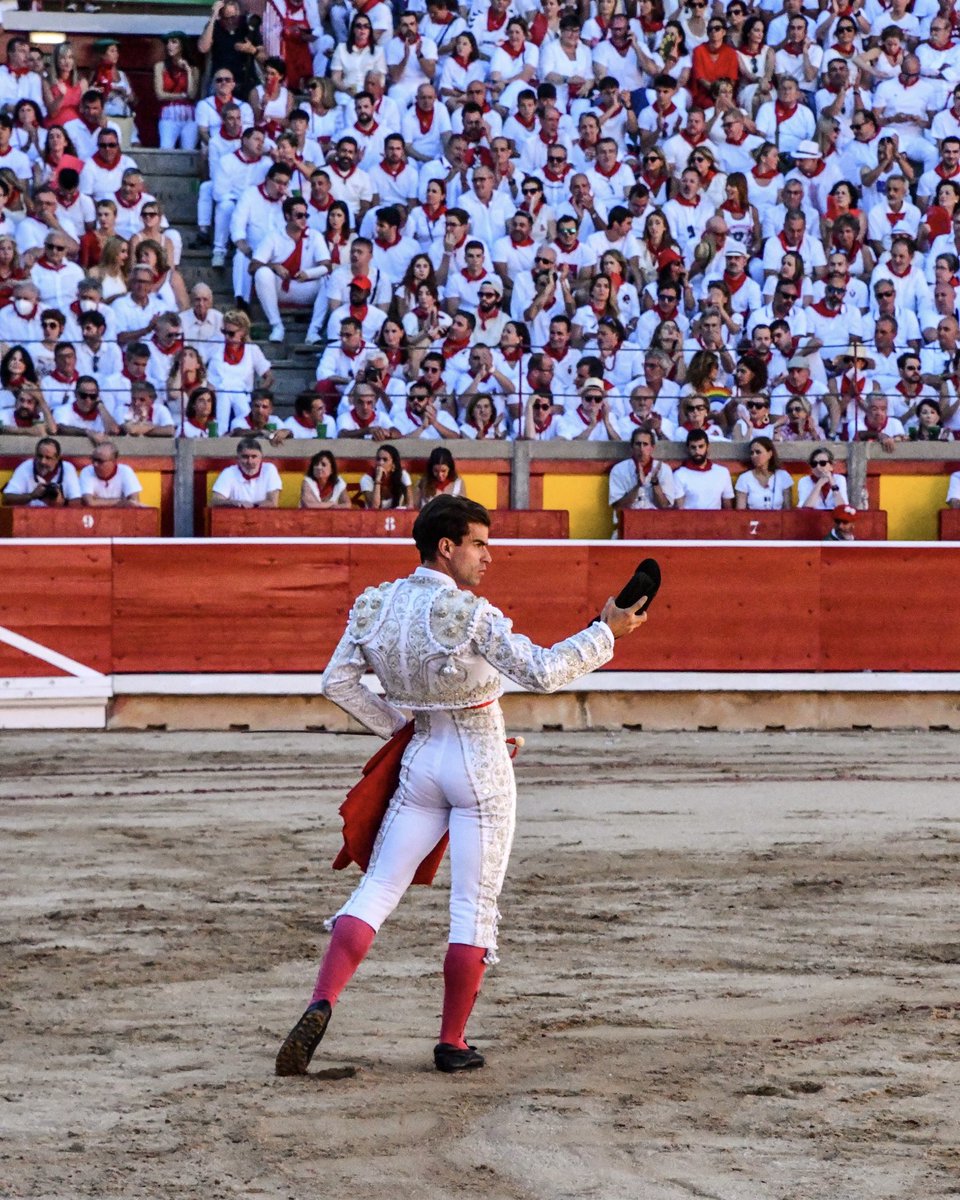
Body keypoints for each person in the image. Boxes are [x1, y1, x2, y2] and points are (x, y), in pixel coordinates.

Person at [274, 494, 648, 1076]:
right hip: (481, 766)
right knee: (473, 906)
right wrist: (606, 631)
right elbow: (545, 672)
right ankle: (451, 1042)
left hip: (421, 762)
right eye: (479, 543)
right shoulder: (470, 614)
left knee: (376, 889)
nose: (488, 556)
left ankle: (321, 1001)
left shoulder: (375, 606)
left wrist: (401, 728)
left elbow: (337, 682)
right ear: (446, 547)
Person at [608, 426, 676, 533]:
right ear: (632, 447)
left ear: (652, 447)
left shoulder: (663, 469)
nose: (641, 449)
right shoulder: (619, 469)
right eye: (638, 444)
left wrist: (655, 483)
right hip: (627, 527)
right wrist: (638, 486)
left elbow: (665, 507)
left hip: (655, 528)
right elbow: (618, 507)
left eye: (645, 444)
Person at [2, 437, 81, 507]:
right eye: (40, 456)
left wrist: (62, 502)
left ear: (57, 459)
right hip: (29, 517)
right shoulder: (26, 467)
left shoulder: (67, 468)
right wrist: (31, 496)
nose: (43, 461)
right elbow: (6, 499)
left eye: (48, 458)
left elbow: (78, 503)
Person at [210, 437, 282, 508]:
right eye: (245, 457)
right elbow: (215, 501)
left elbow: (272, 503)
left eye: (254, 457)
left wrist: (250, 507)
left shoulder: (269, 469)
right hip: (236, 517)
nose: (250, 461)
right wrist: (235, 503)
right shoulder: (228, 472)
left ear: (261, 457)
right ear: (238, 458)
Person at [674, 430, 734, 510]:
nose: (697, 451)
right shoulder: (679, 474)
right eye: (693, 447)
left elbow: (728, 507)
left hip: (716, 521)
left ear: (707, 447)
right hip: (689, 521)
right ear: (688, 448)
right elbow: (679, 509)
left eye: (701, 446)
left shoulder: (723, 472)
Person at [734, 437, 795, 511]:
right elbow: (741, 512)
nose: (754, 456)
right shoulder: (744, 478)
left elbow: (787, 510)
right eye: (752, 453)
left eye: (758, 452)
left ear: (770, 454)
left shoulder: (783, 476)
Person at [78, 442, 145, 507]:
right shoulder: (87, 471)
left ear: (114, 461)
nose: (95, 464)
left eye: (100, 461)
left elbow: (134, 501)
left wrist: (98, 501)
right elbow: (90, 502)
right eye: (93, 459)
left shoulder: (125, 471)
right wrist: (122, 501)